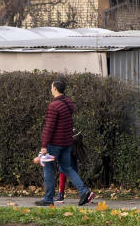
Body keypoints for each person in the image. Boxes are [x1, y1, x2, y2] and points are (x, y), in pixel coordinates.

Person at [35, 79, 95, 207]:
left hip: (54, 144)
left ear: (55, 89)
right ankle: (84, 191)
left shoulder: (54, 106)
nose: (51, 89)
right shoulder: (68, 104)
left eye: (51, 87)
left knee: (49, 170)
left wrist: (44, 146)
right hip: (67, 143)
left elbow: (49, 127)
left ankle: (48, 198)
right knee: (67, 168)